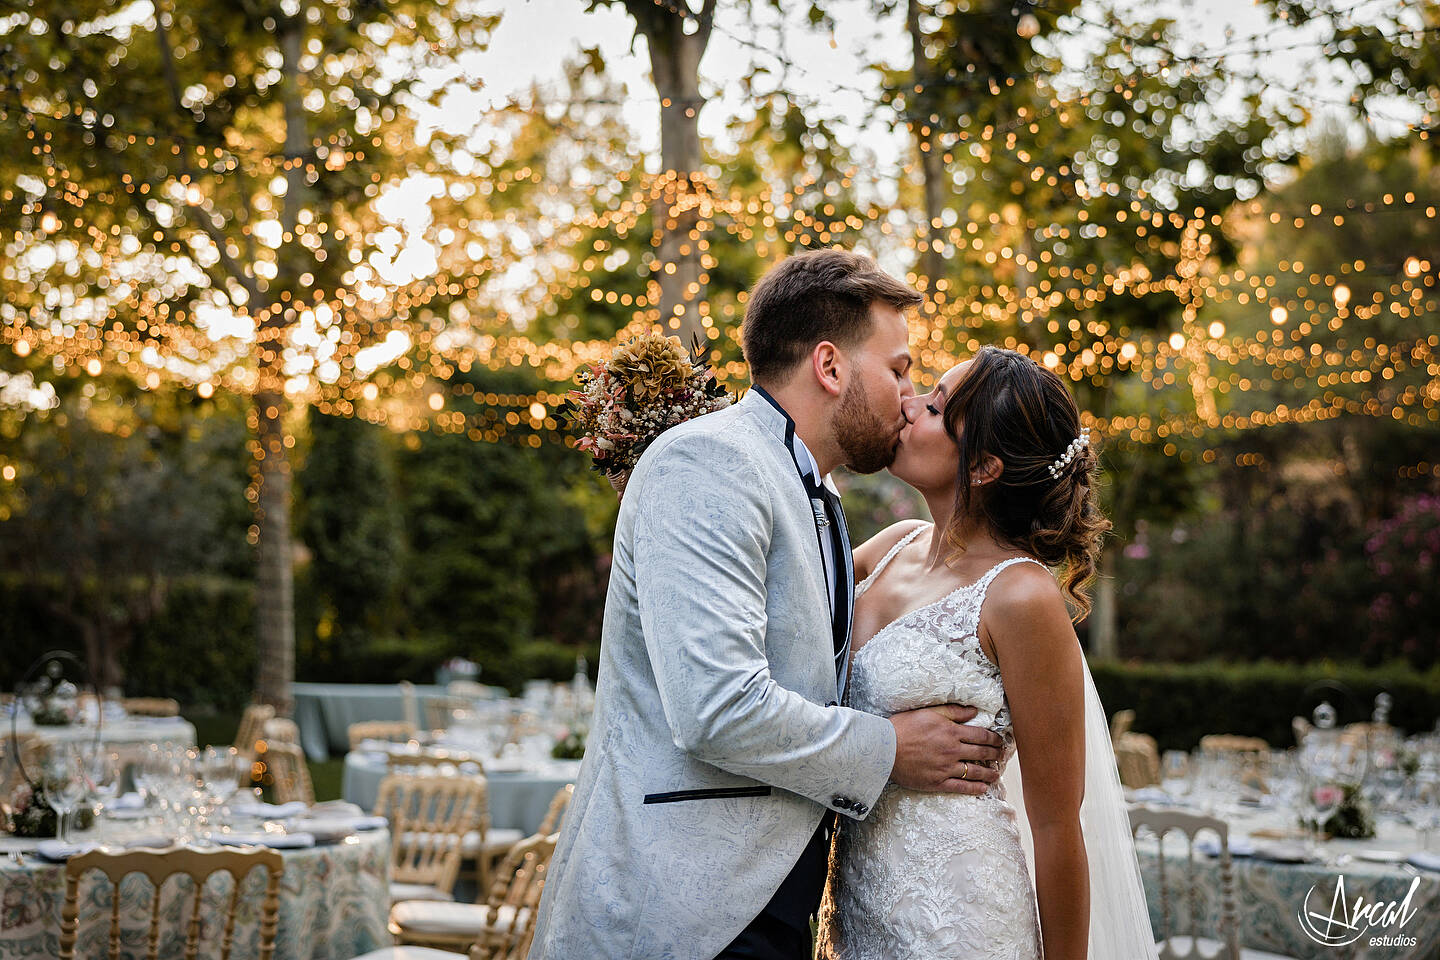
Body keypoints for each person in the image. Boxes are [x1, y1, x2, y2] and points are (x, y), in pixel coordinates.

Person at [530, 249, 1007, 960]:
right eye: (900, 368)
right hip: (683, 911)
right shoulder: (708, 462)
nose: (909, 397)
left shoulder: (818, 495)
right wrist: (891, 750)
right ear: (830, 366)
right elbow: (717, 706)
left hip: (773, 904)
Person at [819, 345, 1156, 959]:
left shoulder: (1020, 596)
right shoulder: (891, 547)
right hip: (857, 908)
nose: (907, 403)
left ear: (984, 469)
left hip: (961, 920)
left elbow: (1057, 827)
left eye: (936, 406)